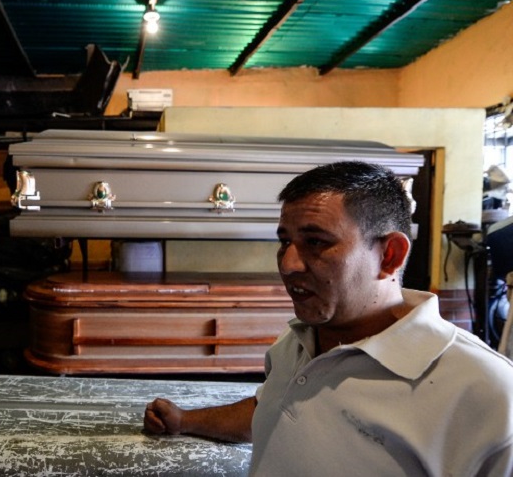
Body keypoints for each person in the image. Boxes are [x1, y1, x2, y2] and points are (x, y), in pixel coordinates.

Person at [144, 161, 513, 476]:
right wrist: (186, 420)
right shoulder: (298, 342)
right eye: (284, 241)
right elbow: (275, 408)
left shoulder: (484, 390)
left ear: (390, 256)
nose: (288, 264)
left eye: (316, 242)